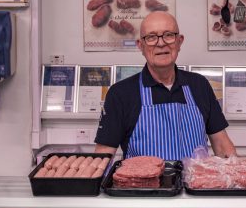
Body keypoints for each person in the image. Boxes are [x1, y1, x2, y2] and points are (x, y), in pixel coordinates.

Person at [95, 11, 236, 160]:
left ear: (179, 41)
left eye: (168, 35)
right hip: (141, 183)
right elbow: (104, 154)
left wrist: (238, 174)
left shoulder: (199, 85)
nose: (161, 43)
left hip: (194, 182)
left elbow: (221, 144)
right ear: (140, 45)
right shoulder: (121, 94)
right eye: (151, 37)